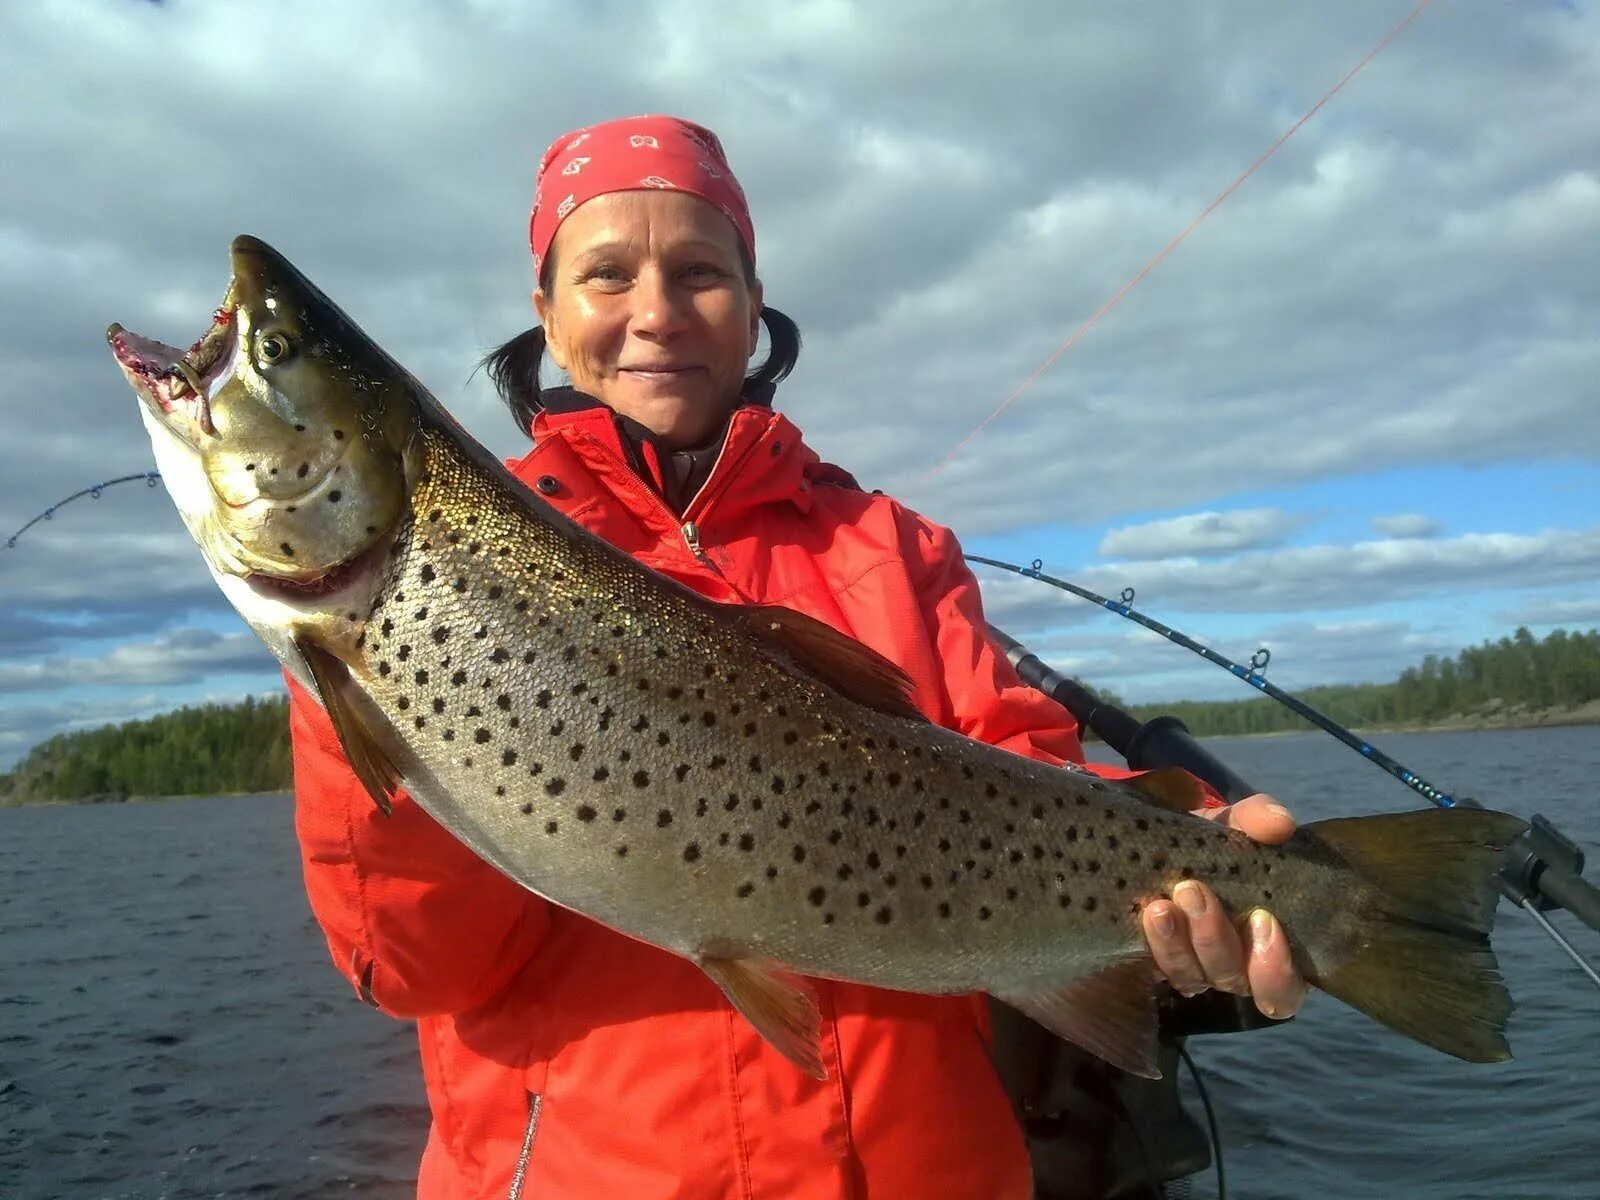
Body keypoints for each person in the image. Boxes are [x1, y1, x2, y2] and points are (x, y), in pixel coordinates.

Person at [285, 115, 1307, 1200]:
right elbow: (412, 969)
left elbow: (1019, 774)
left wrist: (1193, 859)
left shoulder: (897, 548)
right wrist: (360, 676)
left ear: (753, 297)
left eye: (697, 271)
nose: (656, 314)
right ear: (545, 312)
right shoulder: (446, 574)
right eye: (606, 274)